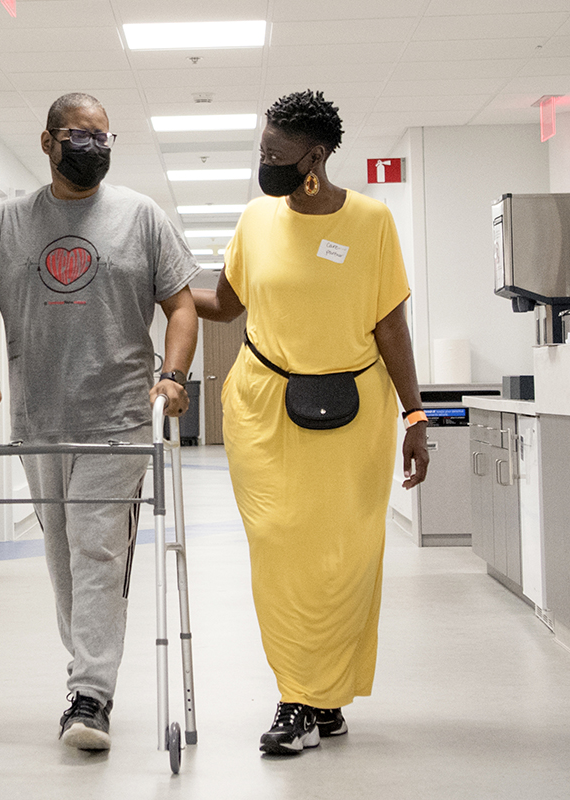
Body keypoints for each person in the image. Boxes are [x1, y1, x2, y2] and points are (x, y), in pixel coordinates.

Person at [0, 92, 199, 752]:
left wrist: (171, 378)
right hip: (40, 420)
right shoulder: (9, 222)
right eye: (79, 135)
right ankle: (85, 676)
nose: (93, 146)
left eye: (103, 137)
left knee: (98, 549)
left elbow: (182, 307)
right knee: (63, 554)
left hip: (118, 417)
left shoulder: (141, 216)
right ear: (47, 142)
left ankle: (90, 693)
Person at [192, 89, 429, 756]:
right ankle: (297, 696)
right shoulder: (255, 221)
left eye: (277, 152)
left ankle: (325, 696)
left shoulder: (372, 222)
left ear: (315, 156)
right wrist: (164, 288)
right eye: (262, 149)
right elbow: (225, 305)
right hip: (263, 408)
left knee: (346, 556)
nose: (264, 161)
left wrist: (416, 415)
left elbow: (392, 327)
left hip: (355, 416)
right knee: (279, 548)